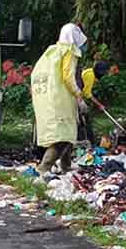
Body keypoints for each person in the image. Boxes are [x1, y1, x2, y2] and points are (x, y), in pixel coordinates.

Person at [31, 23, 88, 175]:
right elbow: (68, 77)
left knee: (68, 133)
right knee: (63, 136)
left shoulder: (52, 51)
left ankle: (66, 165)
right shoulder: (69, 51)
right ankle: (44, 167)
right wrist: (79, 96)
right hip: (60, 99)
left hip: (47, 99)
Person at [76, 61, 111, 147]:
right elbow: (87, 94)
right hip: (76, 97)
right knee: (83, 120)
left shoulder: (90, 72)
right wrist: (99, 105)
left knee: (85, 118)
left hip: (78, 96)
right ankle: (88, 141)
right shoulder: (90, 76)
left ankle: (89, 140)